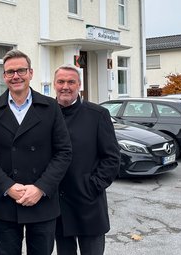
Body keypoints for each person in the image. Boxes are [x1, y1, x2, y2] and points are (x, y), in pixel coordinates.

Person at [0, 50, 72, 255]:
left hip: (42, 201)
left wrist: (41, 187)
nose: (15, 76)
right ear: (3, 76)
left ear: (31, 73)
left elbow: (63, 152)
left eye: (21, 70)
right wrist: (7, 186)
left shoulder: (50, 107)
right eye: (10, 72)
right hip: (6, 202)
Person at [53, 64, 120, 255]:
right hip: (58, 206)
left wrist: (93, 186)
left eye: (71, 82)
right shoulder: (46, 113)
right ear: (54, 84)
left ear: (79, 85)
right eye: (61, 82)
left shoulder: (97, 115)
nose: (65, 86)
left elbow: (112, 158)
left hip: (89, 204)